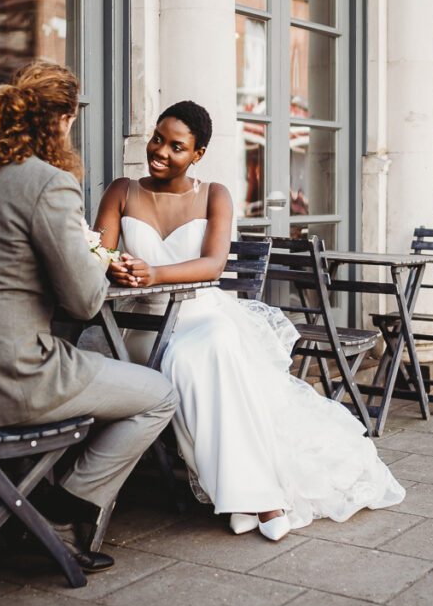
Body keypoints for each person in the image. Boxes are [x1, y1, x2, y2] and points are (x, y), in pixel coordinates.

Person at [0, 61, 179, 572]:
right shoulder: (47, 183)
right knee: (159, 394)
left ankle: (27, 506)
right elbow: (82, 302)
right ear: (62, 120)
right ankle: (60, 509)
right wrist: (96, 257)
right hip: (14, 381)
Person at [93, 100, 404, 542]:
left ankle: (248, 495)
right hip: (139, 326)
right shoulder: (122, 191)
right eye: (157, 138)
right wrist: (116, 268)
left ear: (197, 154)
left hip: (202, 314)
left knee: (214, 343)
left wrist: (155, 273)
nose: (160, 151)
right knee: (191, 359)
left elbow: (214, 265)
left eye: (176, 146)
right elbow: (98, 253)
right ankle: (256, 498)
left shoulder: (214, 194)